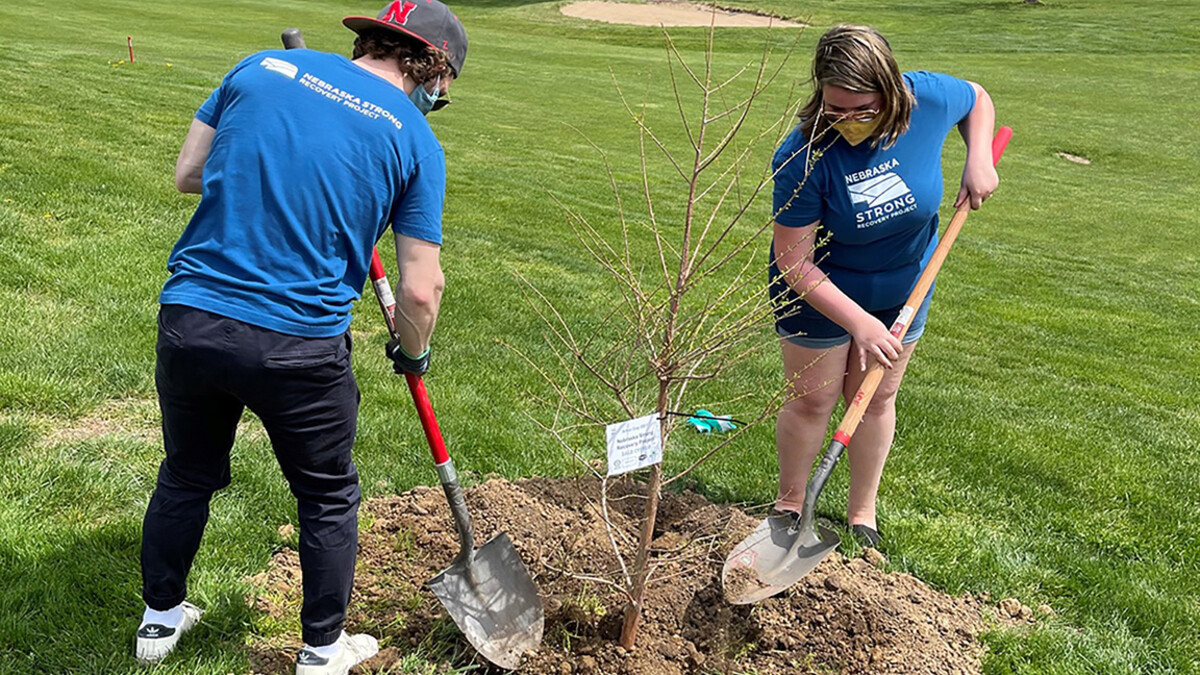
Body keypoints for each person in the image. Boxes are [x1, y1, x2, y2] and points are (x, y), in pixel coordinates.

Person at [135, 2, 467, 673]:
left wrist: (275, 178)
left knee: (186, 473)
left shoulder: (259, 68)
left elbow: (189, 174)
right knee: (326, 495)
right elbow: (421, 288)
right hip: (297, 344)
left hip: (192, 316)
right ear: (433, 66)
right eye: (447, 83)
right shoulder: (413, 138)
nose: (442, 97)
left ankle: (158, 621)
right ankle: (321, 650)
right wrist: (413, 348)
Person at [769, 24, 997, 548]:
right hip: (820, 288)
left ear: (892, 92)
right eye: (836, 110)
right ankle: (789, 505)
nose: (847, 121)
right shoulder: (803, 157)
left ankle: (861, 513)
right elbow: (793, 261)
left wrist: (977, 156)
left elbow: (977, 98)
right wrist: (859, 323)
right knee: (814, 400)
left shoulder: (926, 100)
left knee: (874, 398)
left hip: (904, 284)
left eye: (863, 110)